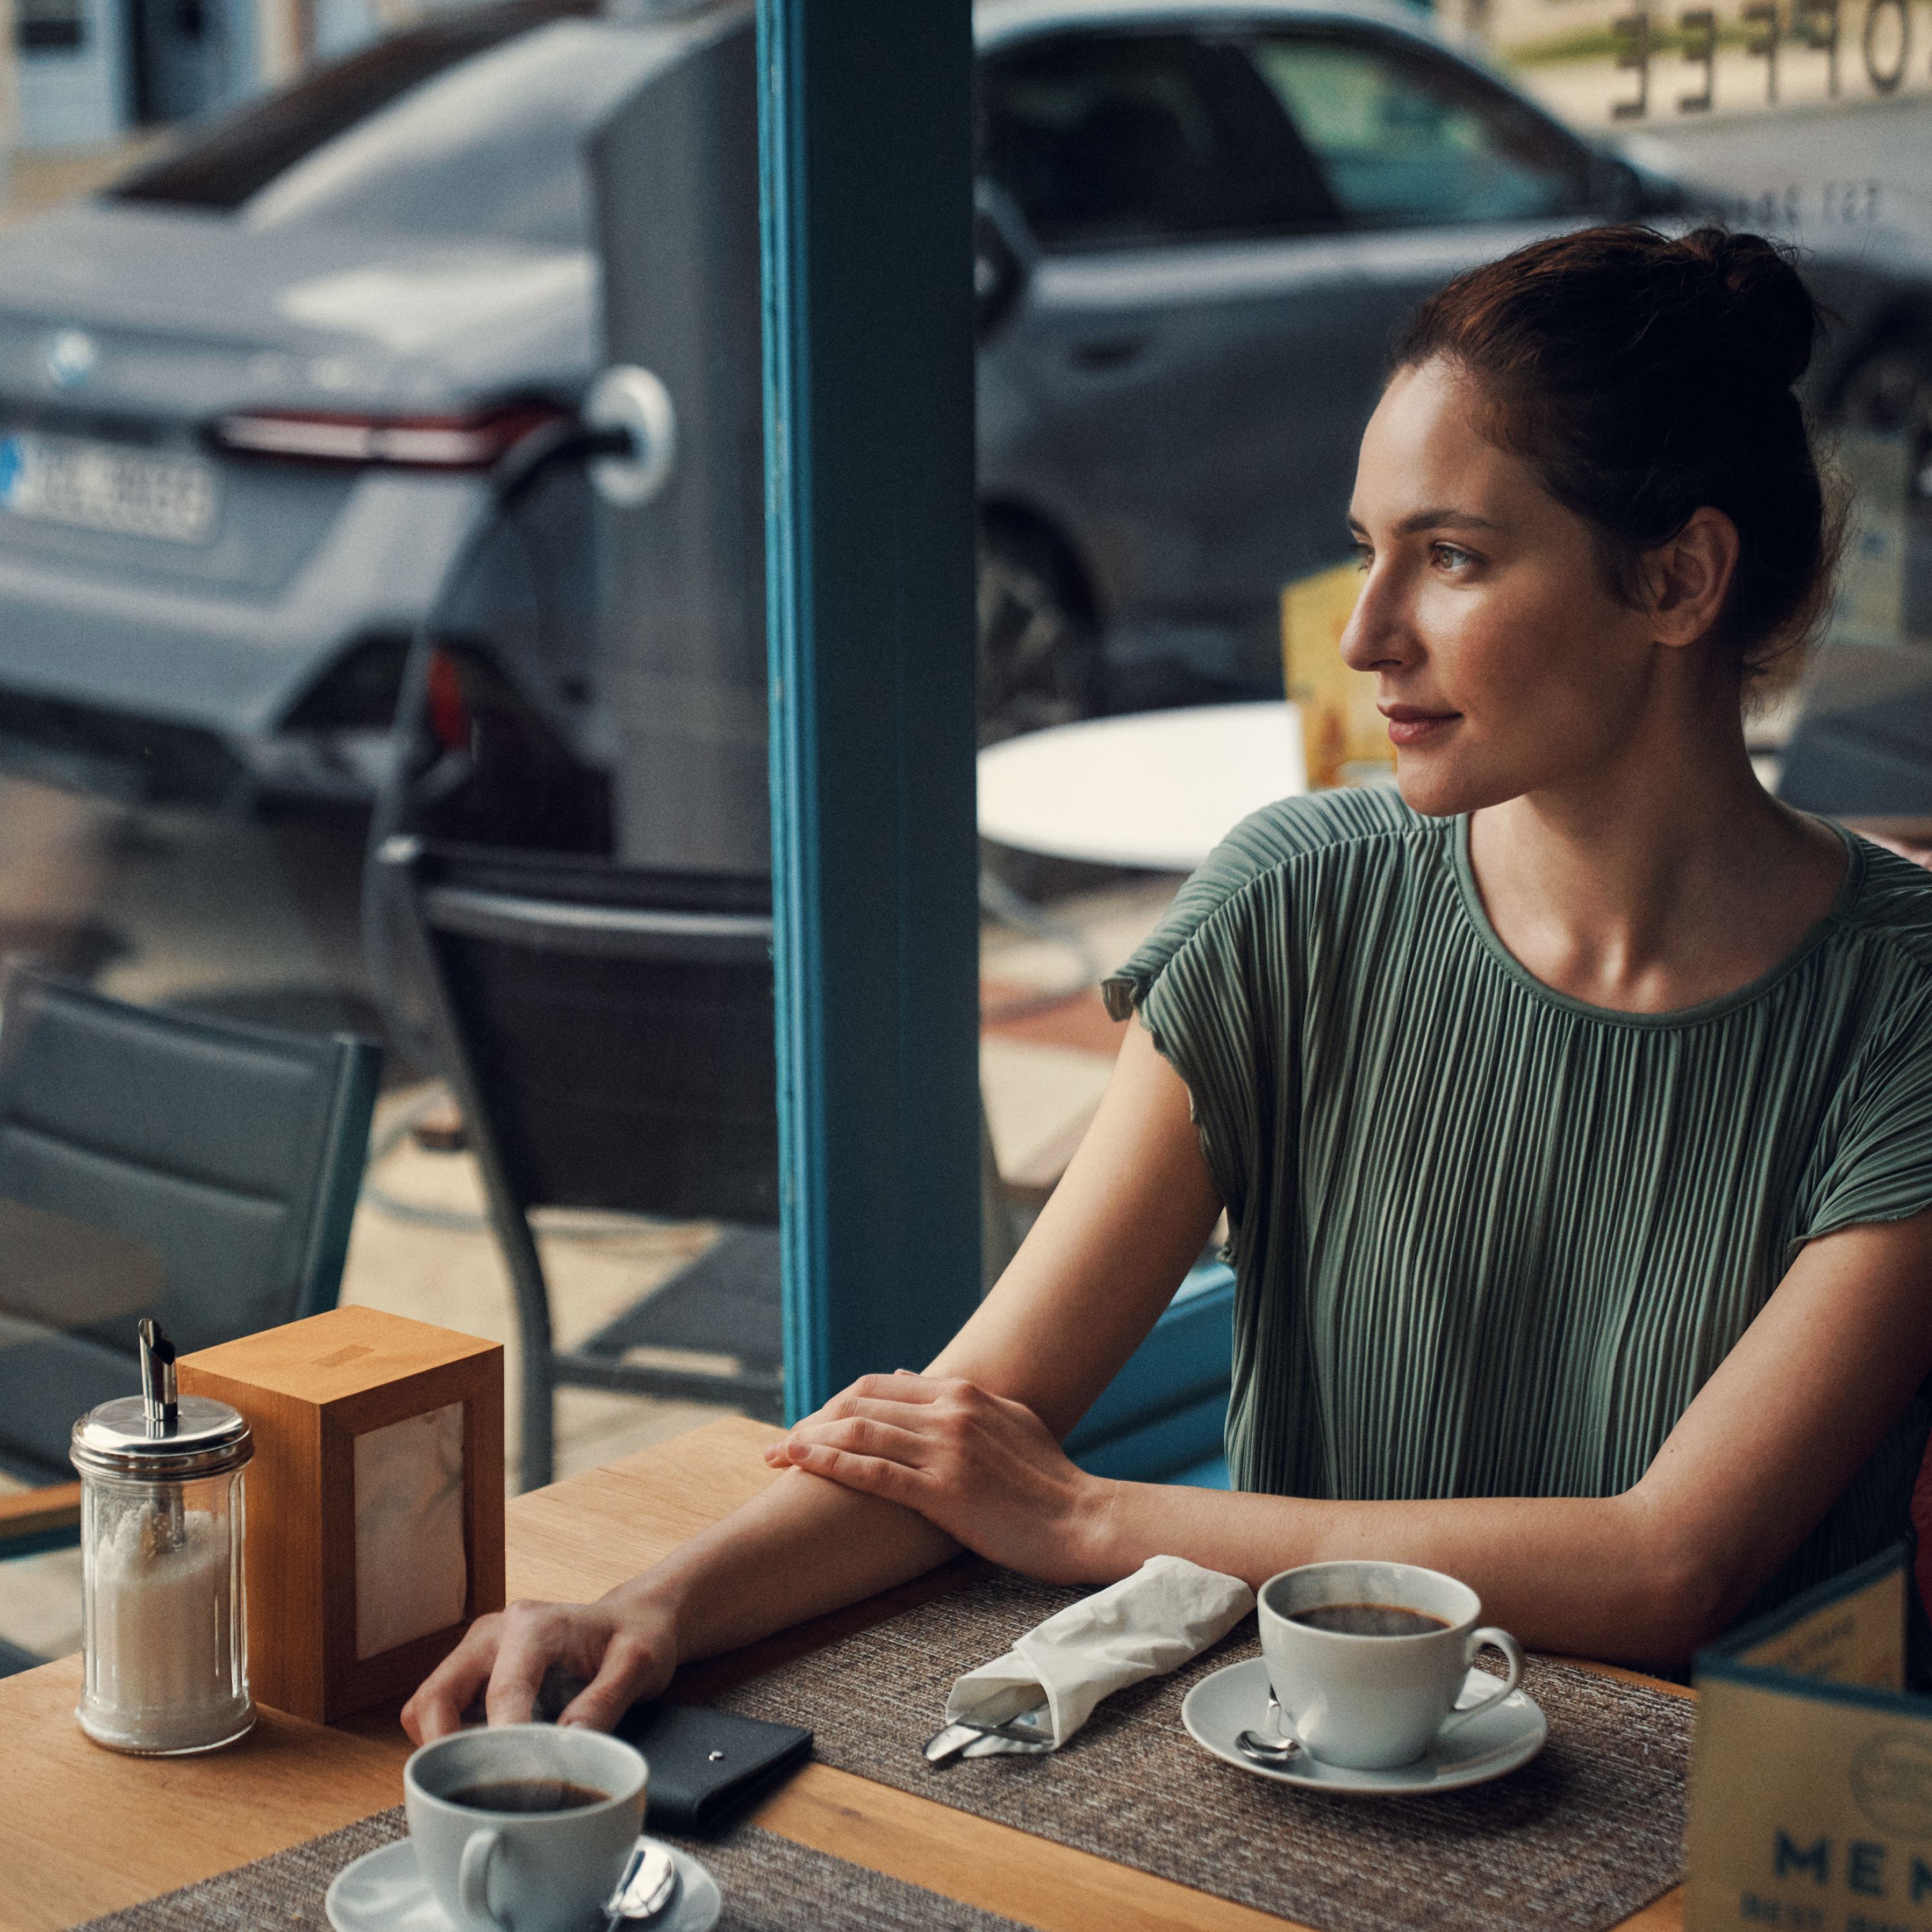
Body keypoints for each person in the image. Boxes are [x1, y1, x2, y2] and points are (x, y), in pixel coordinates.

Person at [405, 225, 1932, 1741]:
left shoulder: (1904, 1005)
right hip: (1309, 1804)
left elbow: (1676, 1563)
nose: (1366, 634)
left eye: (1452, 557)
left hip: (1742, 1843)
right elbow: (974, 1427)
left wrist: (1082, 1522)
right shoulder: (1291, 908)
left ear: (1678, 579)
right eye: (1365, 549)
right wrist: (648, 1614)